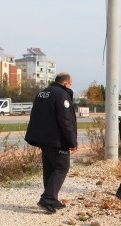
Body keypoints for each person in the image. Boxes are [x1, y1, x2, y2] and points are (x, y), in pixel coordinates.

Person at [25, 72, 77, 214]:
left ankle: (51, 199)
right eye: (70, 84)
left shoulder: (42, 93)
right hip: (56, 139)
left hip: (43, 138)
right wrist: (72, 141)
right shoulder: (61, 94)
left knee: (50, 168)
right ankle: (47, 198)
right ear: (65, 83)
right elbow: (66, 120)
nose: (70, 87)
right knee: (61, 167)